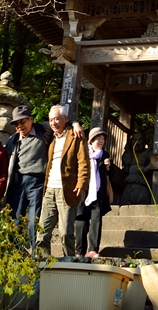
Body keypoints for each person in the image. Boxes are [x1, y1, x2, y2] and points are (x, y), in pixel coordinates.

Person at [4, 103, 84, 246]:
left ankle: (35, 253)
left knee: (34, 220)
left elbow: (60, 121)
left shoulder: (43, 130)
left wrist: (76, 124)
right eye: (16, 124)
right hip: (18, 182)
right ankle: (15, 253)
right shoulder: (13, 140)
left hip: (38, 181)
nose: (20, 126)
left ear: (31, 119)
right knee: (15, 219)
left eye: (23, 122)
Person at [36, 105, 88, 258]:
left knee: (66, 232)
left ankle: (69, 262)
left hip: (67, 189)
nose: (53, 123)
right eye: (51, 120)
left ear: (65, 119)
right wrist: (74, 121)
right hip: (49, 189)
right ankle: (43, 263)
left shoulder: (75, 135)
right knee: (42, 232)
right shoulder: (50, 135)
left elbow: (83, 161)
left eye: (57, 119)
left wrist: (82, 183)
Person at [75, 126, 112, 260]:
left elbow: (111, 175)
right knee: (81, 221)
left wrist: (108, 167)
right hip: (83, 191)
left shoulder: (105, 155)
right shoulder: (83, 153)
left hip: (98, 193)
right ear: (91, 141)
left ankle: (93, 249)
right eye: (98, 139)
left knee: (96, 221)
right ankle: (79, 250)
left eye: (103, 139)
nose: (101, 141)